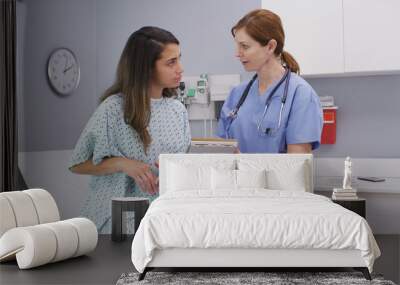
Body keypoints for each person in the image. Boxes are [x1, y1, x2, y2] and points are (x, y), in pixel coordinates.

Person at [69, 26, 191, 233]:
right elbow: (78, 164)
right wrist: (122, 164)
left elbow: (184, 160)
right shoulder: (113, 108)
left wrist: (174, 171)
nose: (180, 68)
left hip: (161, 221)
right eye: (171, 62)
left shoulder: (177, 110)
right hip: (114, 224)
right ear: (146, 67)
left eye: (179, 58)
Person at [217, 9, 323, 153]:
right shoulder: (236, 95)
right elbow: (221, 152)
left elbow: (297, 165)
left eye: (245, 46)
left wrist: (248, 168)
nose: (237, 53)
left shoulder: (301, 94)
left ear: (270, 46)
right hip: (235, 176)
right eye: (237, 46)